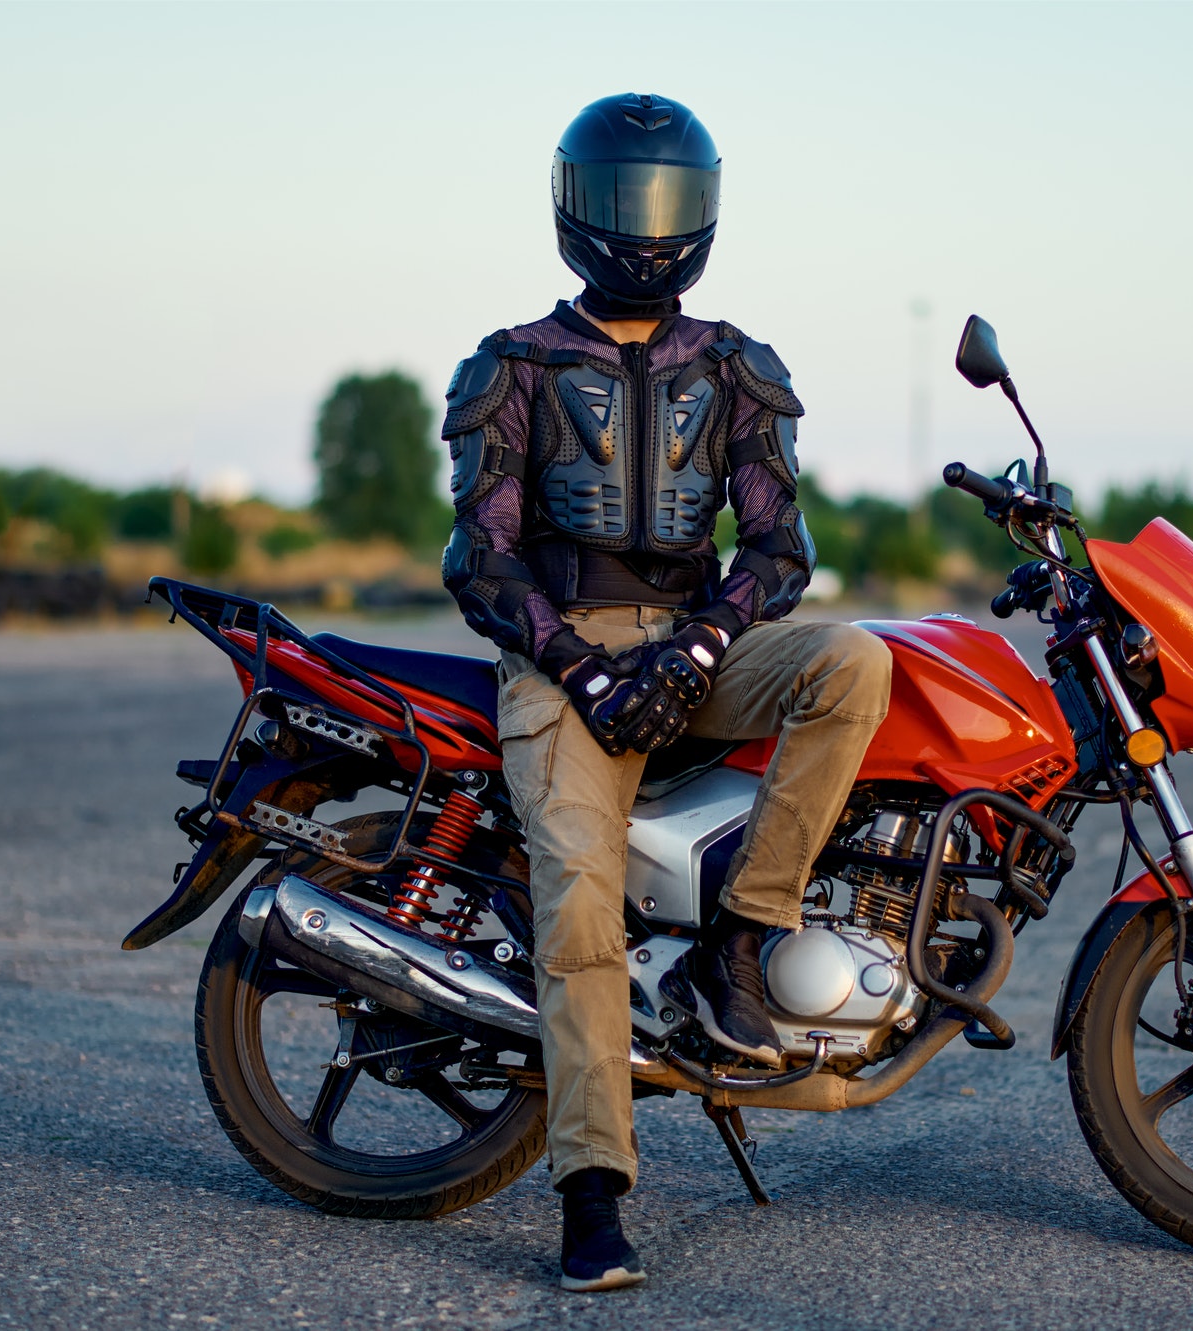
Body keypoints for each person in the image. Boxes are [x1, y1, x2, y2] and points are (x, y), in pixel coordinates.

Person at [438, 93, 892, 1292]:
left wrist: (694, 651)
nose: (646, 230)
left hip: (695, 645)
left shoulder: (735, 366)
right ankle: (593, 1193)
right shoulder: (516, 365)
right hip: (560, 656)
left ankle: (740, 937)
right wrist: (580, 665)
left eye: (668, 203)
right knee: (577, 909)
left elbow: (778, 552)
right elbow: (475, 558)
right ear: (572, 207)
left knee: (856, 661)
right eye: (625, 202)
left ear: (703, 213)